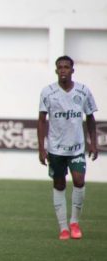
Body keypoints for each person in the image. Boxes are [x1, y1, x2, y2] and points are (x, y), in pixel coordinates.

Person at [37, 55, 98, 240]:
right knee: (59, 184)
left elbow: (91, 118)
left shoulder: (83, 91)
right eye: (60, 67)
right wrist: (41, 147)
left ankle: (74, 222)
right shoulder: (47, 92)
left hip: (77, 147)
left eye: (66, 67)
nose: (63, 70)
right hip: (56, 148)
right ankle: (63, 227)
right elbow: (41, 121)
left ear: (72, 70)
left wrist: (93, 142)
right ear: (56, 70)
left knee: (79, 181)